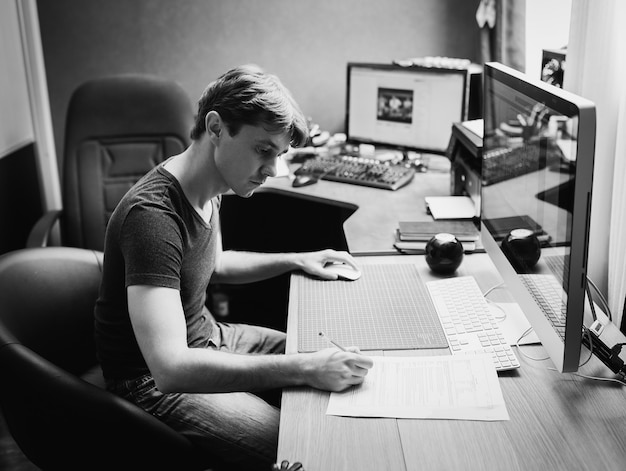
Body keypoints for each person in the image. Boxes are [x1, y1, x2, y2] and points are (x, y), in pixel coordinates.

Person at [94, 64, 374, 470]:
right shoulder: (152, 215)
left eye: (278, 155)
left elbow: (216, 263)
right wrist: (304, 369)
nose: (272, 170)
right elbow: (170, 368)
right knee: (308, 442)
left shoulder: (212, 184)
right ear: (216, 127)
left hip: (208, 338)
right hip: (148, 382)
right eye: (263, 149)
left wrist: (297, 260)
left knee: (341, 364)